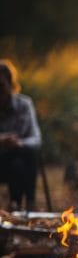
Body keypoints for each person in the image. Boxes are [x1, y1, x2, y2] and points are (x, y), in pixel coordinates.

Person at [0, 59, 42, 211]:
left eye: (1, 86)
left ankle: (21, 204)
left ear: (10, 84)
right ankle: (22, 205)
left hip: (19, 160)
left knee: (23, 157)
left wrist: (19, 144)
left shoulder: (24, 104)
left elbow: (36, 139)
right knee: (19, 160)